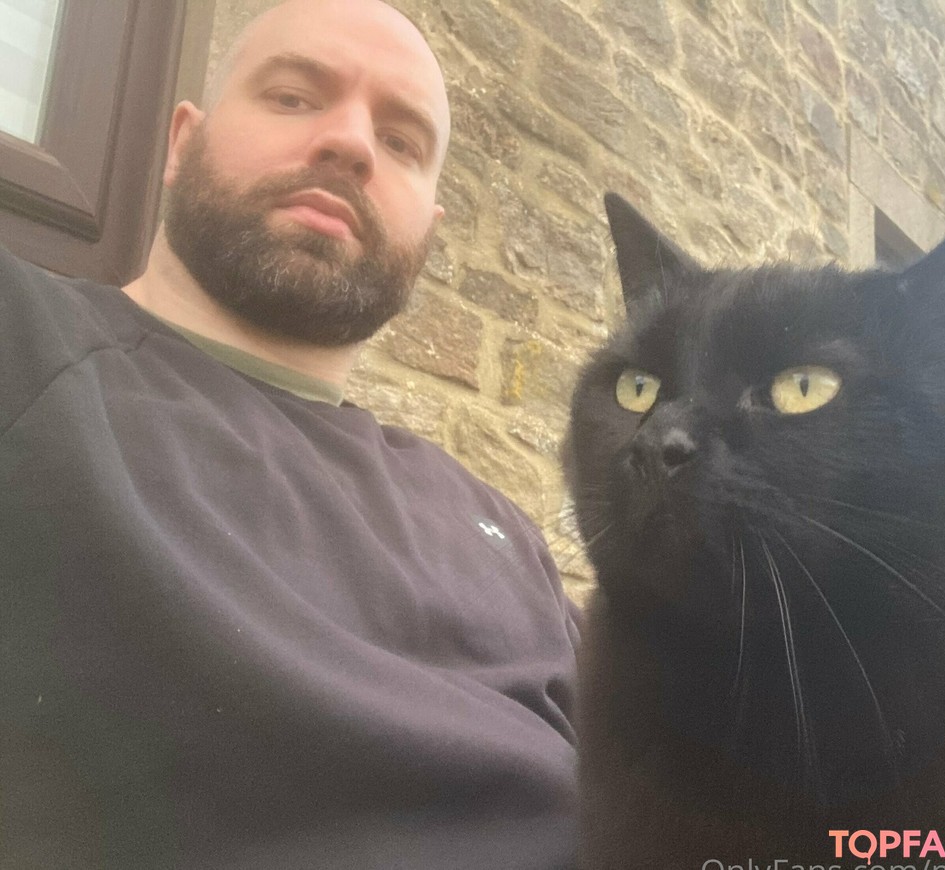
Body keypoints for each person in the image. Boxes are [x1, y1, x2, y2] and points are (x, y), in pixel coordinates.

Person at [0, 1, 580, 867]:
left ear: (427, 231)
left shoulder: (499, 528)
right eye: (293, 97)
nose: (350, 143)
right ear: (180, 142)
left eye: (402, 141)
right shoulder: (24, 340)